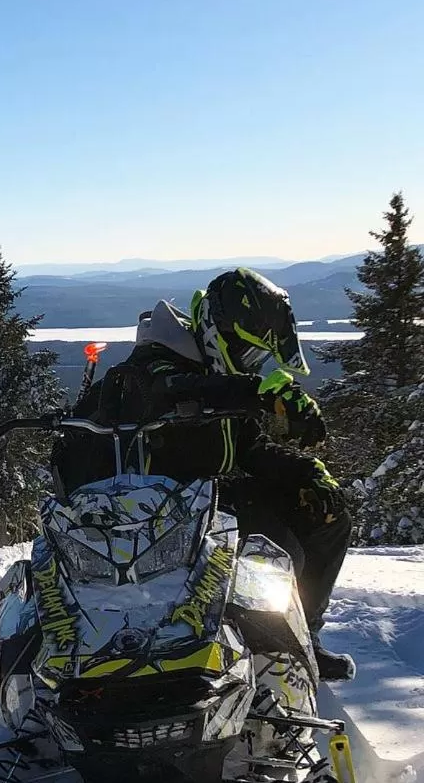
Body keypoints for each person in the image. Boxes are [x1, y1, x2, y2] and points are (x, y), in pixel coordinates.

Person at [59, 267, 354, 681]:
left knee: (327, 513)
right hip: (161, 508)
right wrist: (256, 391)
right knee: (279, 547)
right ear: (217, 330)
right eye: (244, 351)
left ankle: (304, 636)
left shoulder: (219, 374)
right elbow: (172, 391)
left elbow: (248, 447)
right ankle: (258, 643)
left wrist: (307, 472)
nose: (249, 364)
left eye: (256, 357)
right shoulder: (153, 364)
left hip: (216, 496)